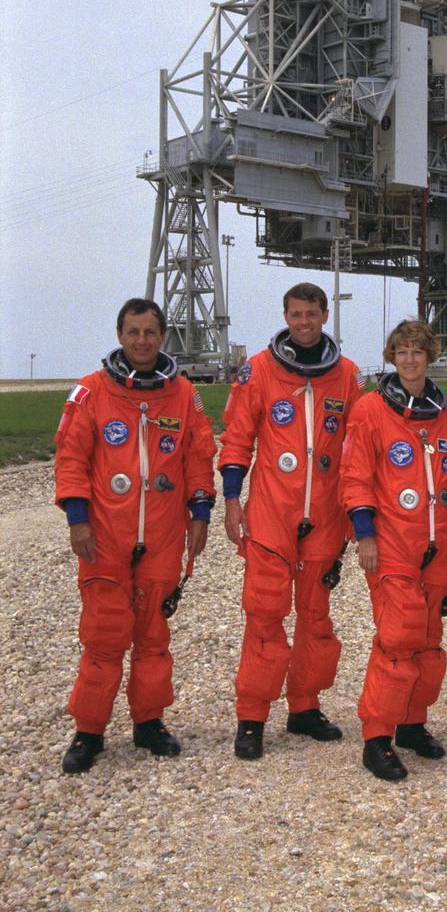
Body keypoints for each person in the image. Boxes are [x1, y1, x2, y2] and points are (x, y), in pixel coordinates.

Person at [55, 298, 216, 774]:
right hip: (105, 534)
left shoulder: (183, 394)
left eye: (150, 332)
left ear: (162, 336)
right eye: (133, 332)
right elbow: (70, 458)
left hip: (163, 535)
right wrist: (78, 518)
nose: (142, 341)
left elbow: (198, 454)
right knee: (104, 636)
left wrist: (201, 511)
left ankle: (149, 723)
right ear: (120, 335)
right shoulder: (91, 391)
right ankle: (89, 731)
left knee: (153, 637)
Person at [219, 283, 363, 759]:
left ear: (325, 315)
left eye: (312, 314)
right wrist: (233, 500)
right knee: (264, 616)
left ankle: (304, 706)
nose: (304, 322)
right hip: (270, 515)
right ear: (285, 315)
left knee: (316, 619)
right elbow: (237, 440)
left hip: (324, 516)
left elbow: (358, 451)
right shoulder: (258, 370)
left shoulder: (346, 376)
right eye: (296, 314)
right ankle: (252, 716)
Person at [339, 319, 447, 782]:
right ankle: (377, 737)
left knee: (430, 640)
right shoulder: (370, 410)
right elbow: (354, 476)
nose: (410, 359)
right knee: (398, 639)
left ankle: (412, 724)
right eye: (402, 351)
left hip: (441, 545)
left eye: (418, 350)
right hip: (394, 543)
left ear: (429, 355)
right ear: (391, 357)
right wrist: (365, 535)